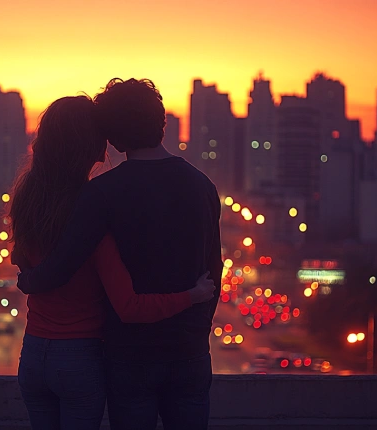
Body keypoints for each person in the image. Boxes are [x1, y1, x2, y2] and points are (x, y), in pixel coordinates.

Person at [16, 79, 222, 430]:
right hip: (188, 350)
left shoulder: (102, 193)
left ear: (113, 138)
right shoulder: (201, 185)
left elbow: (65, 262)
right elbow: (214, 268)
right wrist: (197, 327)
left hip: (130, 354)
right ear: (162, 123)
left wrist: (29, 278)